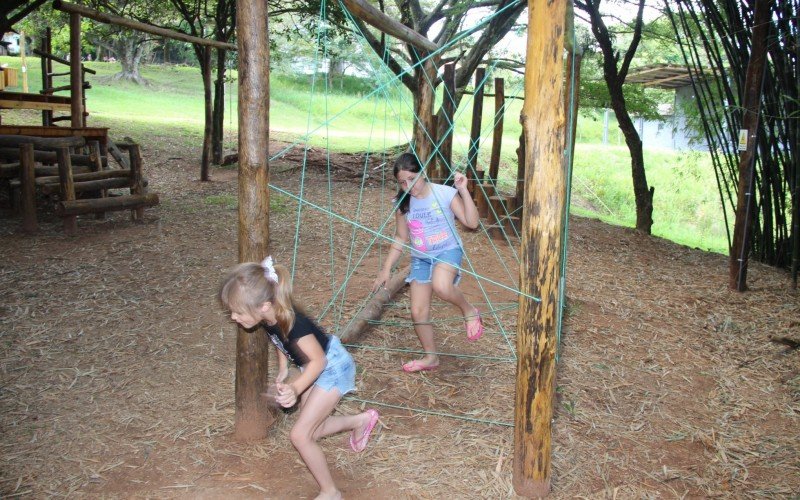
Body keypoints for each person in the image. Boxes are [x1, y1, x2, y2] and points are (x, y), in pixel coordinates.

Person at [220, 256, 380, 500]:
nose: (233, 317)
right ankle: (361, 421)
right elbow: (278, 341)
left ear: (263, 305)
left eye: (237, 312)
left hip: (332, 367)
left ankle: (331, 492)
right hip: (314, 367)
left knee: (300, 435)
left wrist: (295, 389)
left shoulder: (294, 325)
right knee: (313, 431)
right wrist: (284, 368)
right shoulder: (270, 316)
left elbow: (319, 361)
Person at [373, 153, 484, 373]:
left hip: (447, 251)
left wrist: (463, 190)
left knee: (442, 285)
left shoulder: (444, 193)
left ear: (422, 172)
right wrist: (385, 269)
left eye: (412, 179)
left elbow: (472, 223)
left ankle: (469, 310)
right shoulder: (403, 203)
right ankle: (431, 357)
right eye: (402, 182)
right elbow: (400, 238)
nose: (408, 186)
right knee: (418, 311)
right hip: (421, 258)